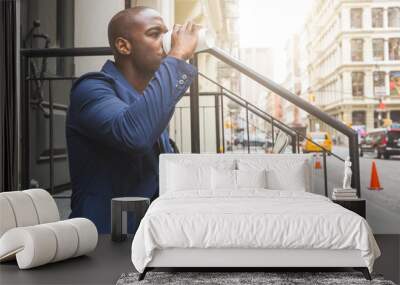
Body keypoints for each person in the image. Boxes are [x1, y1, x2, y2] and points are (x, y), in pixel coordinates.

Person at [66, 6, 199, 233]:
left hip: (148, 233)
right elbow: (135, 134)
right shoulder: (90, 89)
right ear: (123, 46)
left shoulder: (147, 99)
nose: (166, 41)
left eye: (166, 33)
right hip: (104, 239)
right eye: (155, 33)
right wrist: (177, 56)